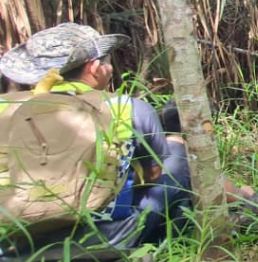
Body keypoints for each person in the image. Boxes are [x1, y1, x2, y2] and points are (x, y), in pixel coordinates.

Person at [0, 23, 189, 249]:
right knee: (177, 152)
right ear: (94, 67)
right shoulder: (126, 107)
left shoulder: (5, 107)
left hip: (14, 237)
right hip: (104, 237)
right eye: (107, 62)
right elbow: (154, 174)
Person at [159, 100, 258, 214]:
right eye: (209, 124)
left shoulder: (153, 151)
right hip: (175, 224)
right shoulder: (196, 158)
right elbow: (232, 196)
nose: (211, 130)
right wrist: (247, 193)